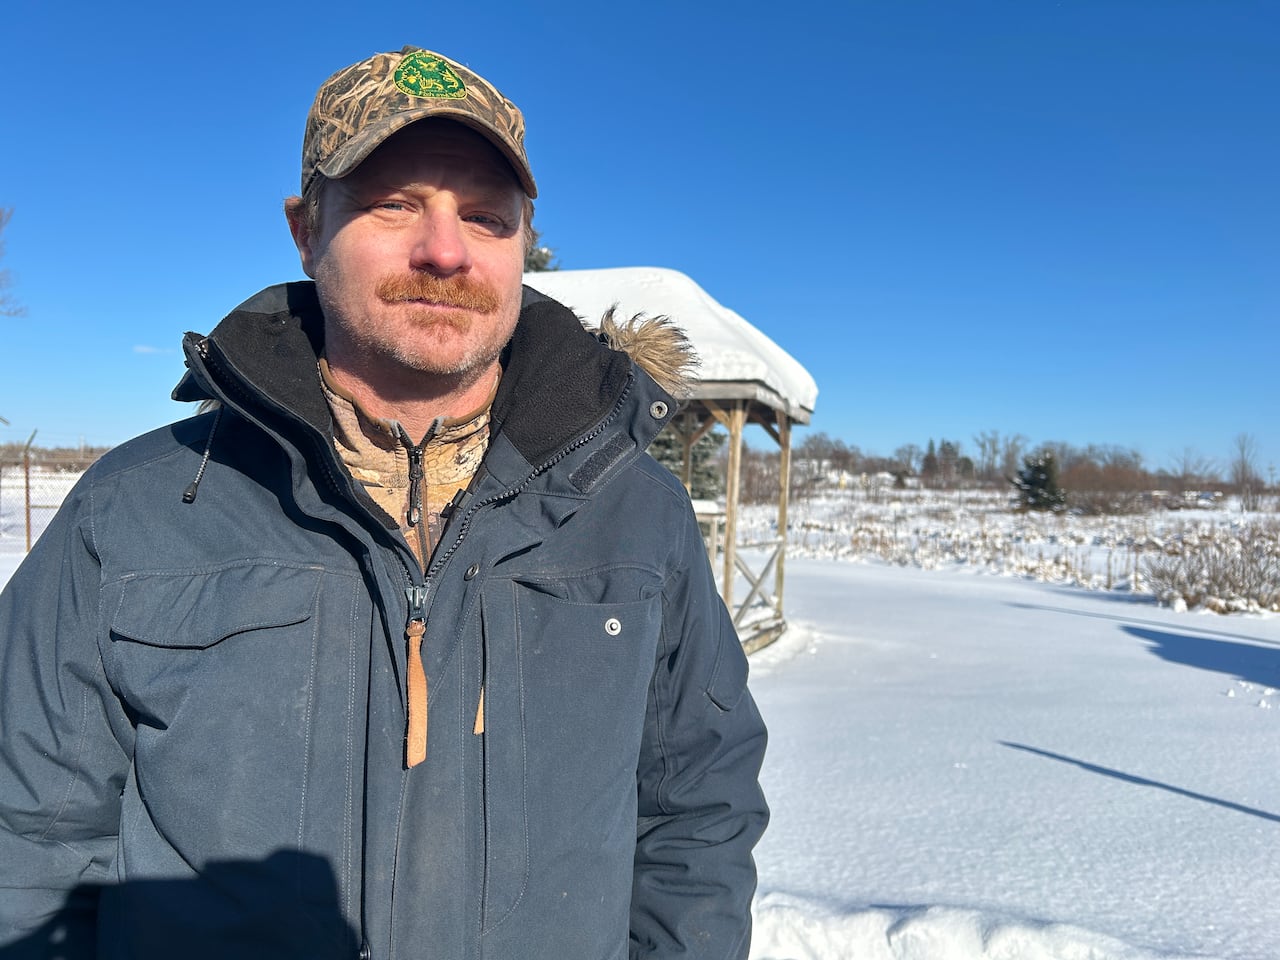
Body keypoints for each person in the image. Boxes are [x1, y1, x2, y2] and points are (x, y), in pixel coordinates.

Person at [0, 45, 768, 959]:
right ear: (305, 226)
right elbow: (28, 840)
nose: (445, 250)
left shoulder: (637, 514)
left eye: (486, 216)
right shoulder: (134, 512)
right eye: (394, 202)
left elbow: (698, 813)